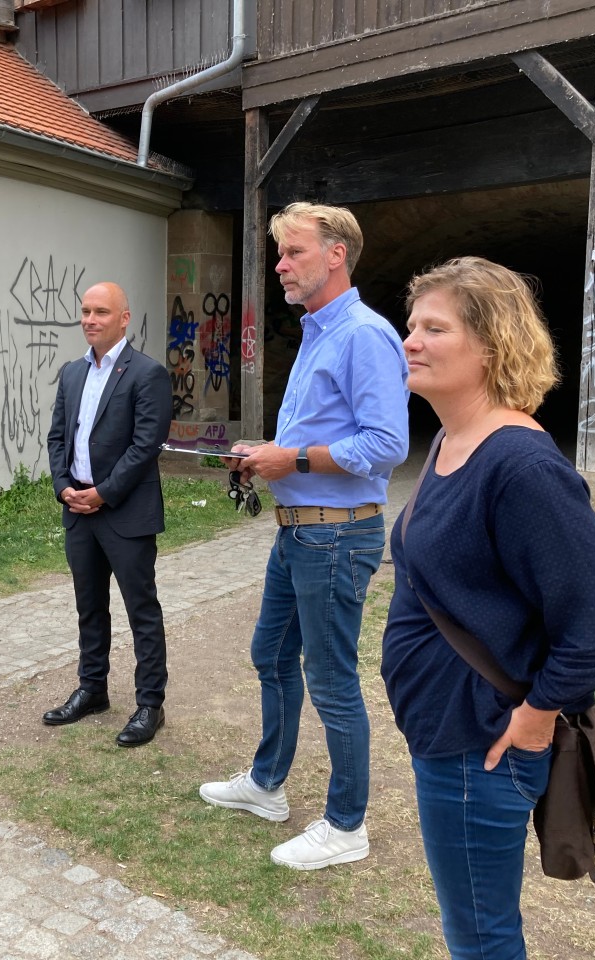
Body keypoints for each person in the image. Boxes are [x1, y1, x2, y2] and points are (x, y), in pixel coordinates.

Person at [382, 257, 595, 959]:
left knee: (480, 933)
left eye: (433, 328)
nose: (410, 340)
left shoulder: (520, 466)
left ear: (491, 347)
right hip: (446, 733)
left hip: (482, 745)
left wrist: (535, 718)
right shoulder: (450, 440)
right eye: (412, 326)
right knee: (471, 922)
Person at [199, 202, 409, 869]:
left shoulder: (364, 334)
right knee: (270, 655)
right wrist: (267, 450)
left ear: (336, 253)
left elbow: (386, 444)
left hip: (337, 538)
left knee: (331, 677)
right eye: (280, 254)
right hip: (300, 534)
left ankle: (347, 824)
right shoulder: (319, 331)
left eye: (292, 252)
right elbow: (321, 433)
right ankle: (266, 785)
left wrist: (292, 460)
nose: (281, 266)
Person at [44, 282, 173, 747]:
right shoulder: (72, 373)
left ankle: (149, 704)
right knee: (89, 606)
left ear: (124, 318)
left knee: (141, 609)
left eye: (101, 311)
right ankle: (92, 689)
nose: (91, 319)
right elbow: (57, 438)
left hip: (124, 512)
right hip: (78, 509)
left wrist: (103, 493)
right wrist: (64, 488)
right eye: (85, 311)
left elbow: (145, 447)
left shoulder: (147, 374)